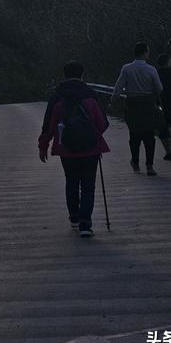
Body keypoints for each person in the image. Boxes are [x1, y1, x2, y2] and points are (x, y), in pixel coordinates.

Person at [38, 61, 110, 237]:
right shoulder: (90, 95)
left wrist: (43, 146)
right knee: (88, 186)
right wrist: (91, 134)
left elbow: (48, 126)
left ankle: (74, 217)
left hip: (66, 149)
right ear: (82, 75)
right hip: (90, 149)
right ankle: (86, 224)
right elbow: (103, 123)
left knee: (71, 181)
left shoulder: (57, 97)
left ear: (64, 75)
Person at [110, 42, 163, 176]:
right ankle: (150, 166)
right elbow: (159, 88)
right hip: (148, 104)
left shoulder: (126, 68)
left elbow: (118, 87)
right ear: (145, 52)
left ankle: (135, 163)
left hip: (132, 104)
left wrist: (113, 100)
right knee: (149, 136)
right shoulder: (151, 70)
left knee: (134, 135)